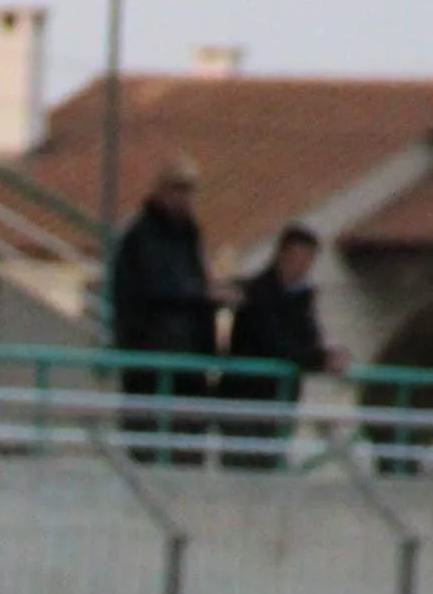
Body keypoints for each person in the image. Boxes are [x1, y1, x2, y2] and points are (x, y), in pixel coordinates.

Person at [112, 156, 218, 466]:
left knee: (186, 457)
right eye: (176, 189)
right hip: (150, 367)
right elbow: (153, 290)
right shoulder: (141, 237)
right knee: (150, 454)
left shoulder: (188, 237)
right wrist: (201, 294)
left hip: (188, 371)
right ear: (161, 190)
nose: (183, 198)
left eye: (187, 190)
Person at [219, 224, 345, 469]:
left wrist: (329, 354)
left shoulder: (302, 297)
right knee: (243, 468)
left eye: (308, 259)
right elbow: (275, 342)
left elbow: (309, 337)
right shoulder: (257, 293)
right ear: (282, 254)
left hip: (279, 397)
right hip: (246, 396)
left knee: (269, 466)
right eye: (299, 257)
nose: (303, 266)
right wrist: (320, 360)